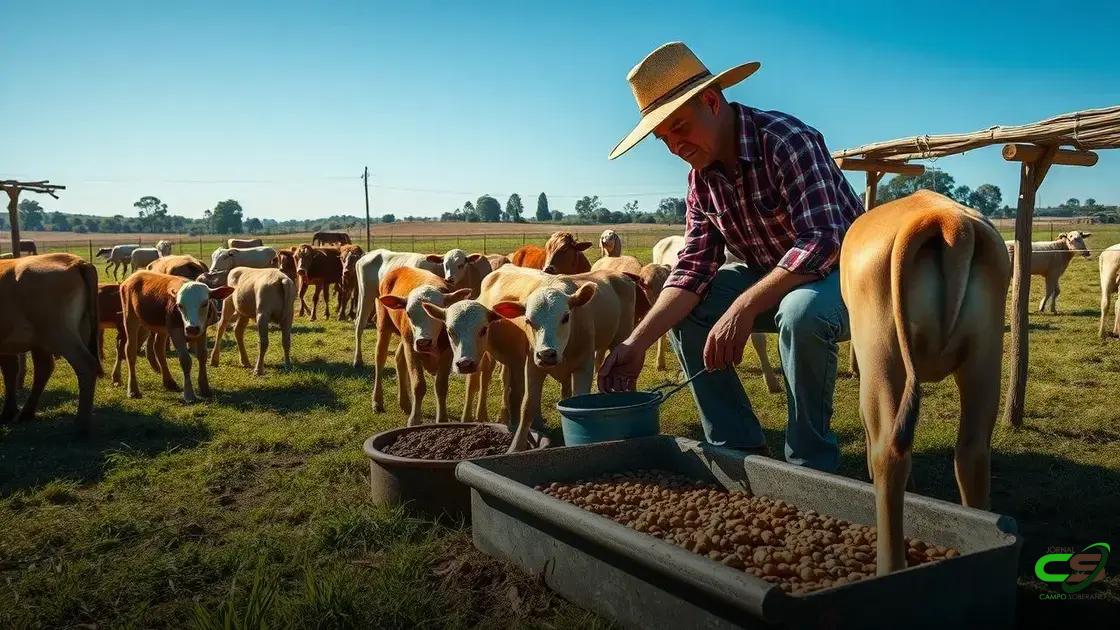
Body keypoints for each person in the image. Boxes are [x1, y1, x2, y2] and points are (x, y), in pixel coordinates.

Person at [599, 42, 864, 472]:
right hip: (768, 277)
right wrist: (635, 342)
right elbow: (693, 268)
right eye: (663, 139)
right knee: (687, 309)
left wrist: (742, 306)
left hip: (847, 276)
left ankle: (811, 466)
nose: (674, 147)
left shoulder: (785, 141)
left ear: (711, 101)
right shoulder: (700, 181)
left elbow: (822, 242)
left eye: (680, 127)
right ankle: (736, 451)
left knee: (801, 311)